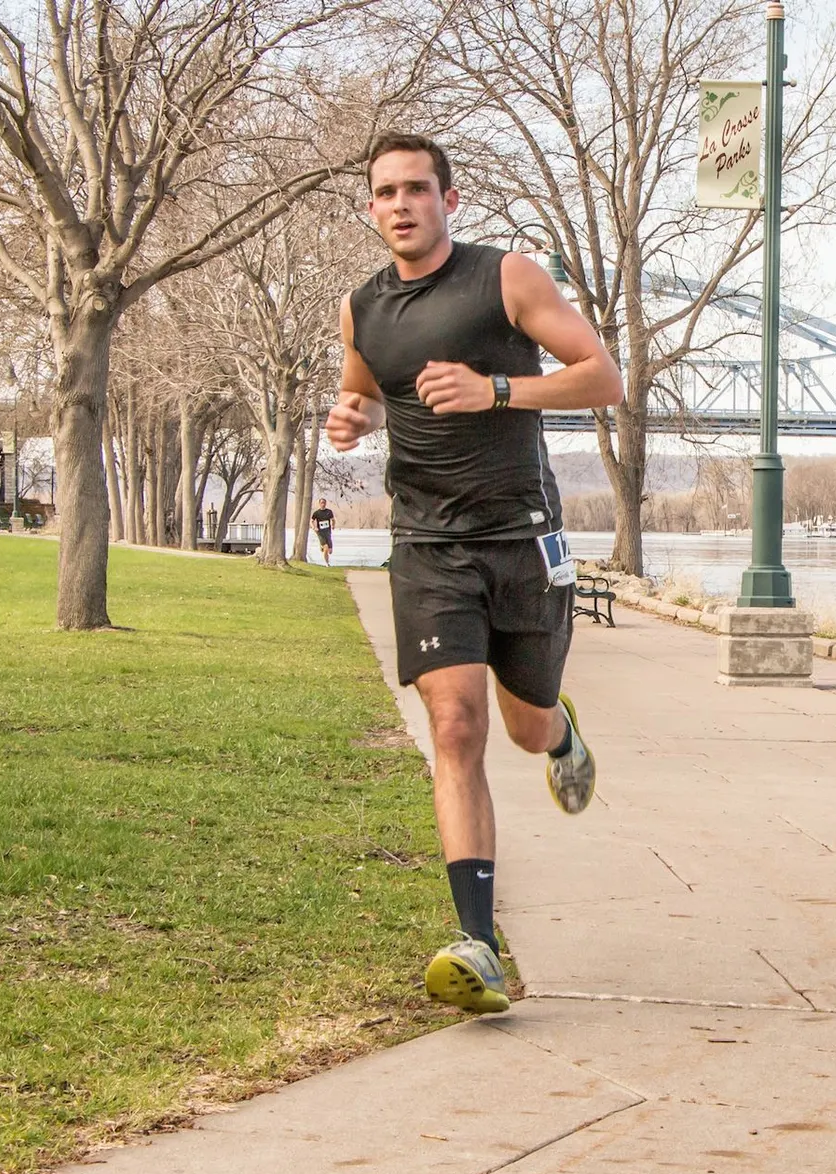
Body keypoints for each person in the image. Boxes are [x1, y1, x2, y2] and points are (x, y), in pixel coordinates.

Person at [325, 133, 623, 1016]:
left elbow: (602, 376)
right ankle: (479, 946)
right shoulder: (361, 308)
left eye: (417, 188)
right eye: (385, 192)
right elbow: (371, 392)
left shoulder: (508, 278)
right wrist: (353, 419)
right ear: (372, 207)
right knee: (455, 726)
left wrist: (497, 390)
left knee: (524, 730)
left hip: (521, 537)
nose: (401, 204)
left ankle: (561, 733)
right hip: (427, 545)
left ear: (449, 199)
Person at [310, 497, 337, 566]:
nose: (323, 504)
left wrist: (333, 525)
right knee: (326, 548)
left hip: (327, 532)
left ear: (326, 503)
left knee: (330, 551)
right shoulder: (316, 513)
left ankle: (322, 546)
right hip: (320, 532)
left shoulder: (329, 512)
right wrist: (314, 527)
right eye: (321, 503)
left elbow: (333, 520)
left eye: (324, 503)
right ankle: (327, 563)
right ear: (319, 504)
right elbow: (311, 521)